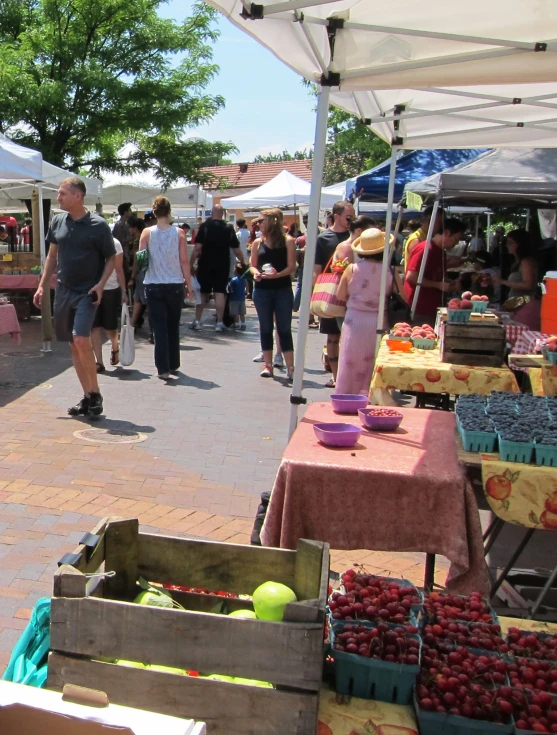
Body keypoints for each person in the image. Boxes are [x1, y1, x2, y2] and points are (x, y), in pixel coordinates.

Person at [33, 177, 116, 417]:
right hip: (63, 291)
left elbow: (111, 258)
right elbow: (52, 257)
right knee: (73, 345)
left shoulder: (98, 225)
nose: (58, 198)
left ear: (77, 196)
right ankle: (88, 396)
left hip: (86, 293)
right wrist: (41, 286)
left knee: (81, 340)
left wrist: (101, 285)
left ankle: (96, 392)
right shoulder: (58, 221)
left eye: (62, 194)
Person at [139, 196, 193, 379]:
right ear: (169, 212)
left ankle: (162, 368)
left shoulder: (146, 233)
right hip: (174, 283)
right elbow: (184, 261)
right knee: (173, 325)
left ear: (154, 212)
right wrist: (189, 284)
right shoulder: (179, 233)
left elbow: (141, 261)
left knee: (159, 327)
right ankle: (173, 363)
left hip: (153, 284)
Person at [335, 229, 393, 395]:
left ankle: (346, 395)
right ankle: (370, 395)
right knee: (373, 361)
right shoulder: (389, 271)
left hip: (354, 320)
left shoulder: (352, 269)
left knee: (350, 361)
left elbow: (340, 295)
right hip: (378, 319)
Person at [250, 208, 296, 380]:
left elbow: (292, 267)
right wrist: (255, 273)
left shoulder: (288, 241)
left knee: (284, 328)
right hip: (262, 290)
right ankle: (268, 364)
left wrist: (277, 275)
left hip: (282, 289)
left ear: (272, 222)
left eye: (261, 221)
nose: (258, 224)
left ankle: (290, 366)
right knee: (266, 327)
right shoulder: (257, 242)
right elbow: (253, 264)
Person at [313, 200, 355, 388]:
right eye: (348, 217)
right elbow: (317, 269)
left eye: (353, 217)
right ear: (336, 216)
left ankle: (347, 376)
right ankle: (336, 376)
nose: (351, 220)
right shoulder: (323, 239)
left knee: (348, 337)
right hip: (331, 293)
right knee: (332, 336)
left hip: (351, 294)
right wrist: (316, 295)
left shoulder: (354, 237)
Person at [189, 204, 246, 332]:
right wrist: (243, 262)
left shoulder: (205, 226)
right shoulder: (228, 228)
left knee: (203, 293)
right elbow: (237, 250)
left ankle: (197, 321)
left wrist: (191, 263)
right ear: (222, 214)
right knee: (220, 293)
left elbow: (197, 248)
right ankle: (219, 323)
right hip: (223, 265)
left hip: (205, 264)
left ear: (212, 212)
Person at [404, 217, 466, 325]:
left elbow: (435, 275)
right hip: (420, 309)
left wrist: (449, 284)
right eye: (456, 240)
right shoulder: (424, 248)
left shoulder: (441, 252)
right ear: (446, 233)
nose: (456, 244)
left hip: (433, 309)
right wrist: (438, 285)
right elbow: (411, 276)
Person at [91, 237, 127, 372]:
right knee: (94, 327)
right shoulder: (89, 240)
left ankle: (115, 346)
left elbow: (119, 269)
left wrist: (124, 291)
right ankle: (99, 362)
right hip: (92, 289)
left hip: (110, 289)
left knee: (110, 327)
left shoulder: (115, 243)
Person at [493, 228, 541, 330]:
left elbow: (528, 285)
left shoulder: (526, 262)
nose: (507, 245)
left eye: (510, 242)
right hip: (516, 306)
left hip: (525, 307)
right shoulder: (518, 262)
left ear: (520, 244)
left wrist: (503, 282)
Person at [403, 205, 444, 272]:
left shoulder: (427, 237)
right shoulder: (416, 240)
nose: (441, 226)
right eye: (439, 222)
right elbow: (416, 268)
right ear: (430, 221)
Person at [112, 203, 133, 282]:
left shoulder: (127, 224)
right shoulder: (120, 224)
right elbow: (120, 241)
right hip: (122, 254)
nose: (131, 212)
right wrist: (134, 238)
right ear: (125, 212)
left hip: (126, 254)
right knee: (124, 276)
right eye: (129, 210)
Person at [229, 263, 247, 330]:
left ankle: (236, 324)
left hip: (234, 298)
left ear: (236, 271)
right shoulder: (244, 279)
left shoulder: (233, 280)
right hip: (242, 298)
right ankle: (243, 324)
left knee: (236, 313)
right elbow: (246, 285)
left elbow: (230, 288)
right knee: (242, 313)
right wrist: (246, 292)